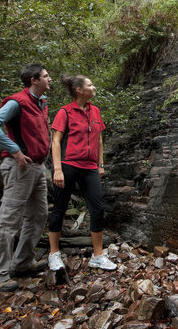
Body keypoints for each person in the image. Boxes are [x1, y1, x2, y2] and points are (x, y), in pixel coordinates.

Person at [0, 63, 52, 292]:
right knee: (9, 220)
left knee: (39, 215)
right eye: (46, 76)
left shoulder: (40, 104)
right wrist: (15, 151)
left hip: (37, 168)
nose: (49, 79)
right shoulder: (17, 102)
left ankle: (22, 263)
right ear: (33, 80)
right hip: (20, 167)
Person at [47, 74, 117, 271]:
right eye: (90, 85)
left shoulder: (95, 111)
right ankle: (54, 254)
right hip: (68, 165)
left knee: (98, 209)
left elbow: (100, 140)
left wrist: (101, 164)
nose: (94, 87)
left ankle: (98, 255)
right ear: (79, 90)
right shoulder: (65, 112)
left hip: (89, 168)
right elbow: (56, 141)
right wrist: (58, 169)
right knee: (59, 208)